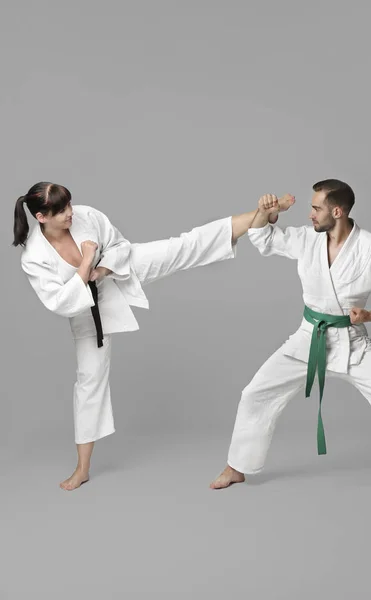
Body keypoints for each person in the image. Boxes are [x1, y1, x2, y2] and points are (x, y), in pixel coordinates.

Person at [13, 181, 278, 491]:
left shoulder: (86, 216)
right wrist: (87, 261)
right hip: (86, 311)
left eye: (70, 205)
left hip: (119, 271)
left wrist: (103, 269)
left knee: (182, 246)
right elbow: (60, 302)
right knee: (89, 382)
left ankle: (257, 216)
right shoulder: (33, 257)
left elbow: (119, 245)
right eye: (62, 211)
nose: (71, 213)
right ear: (41, 217)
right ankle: (82, 468)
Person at [210, 179, 371, 502]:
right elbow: (263, 238)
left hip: (353, 342)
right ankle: (237, 466)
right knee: (255, 392)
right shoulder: (308, 240)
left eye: (316, 208)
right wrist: (268, 211)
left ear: (338, 211)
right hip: (309, 337)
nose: (310, 214)